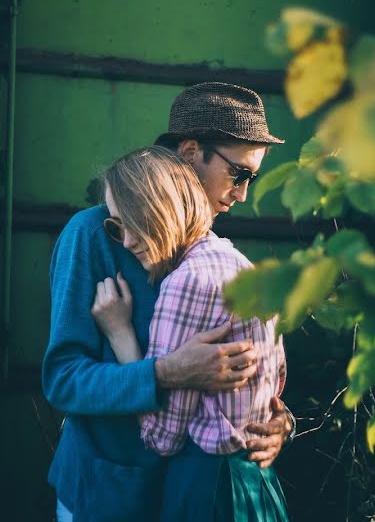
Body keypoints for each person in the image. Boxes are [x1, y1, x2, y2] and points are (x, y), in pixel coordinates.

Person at [42, 82, 294, 521]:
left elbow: (245, 367)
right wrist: (165, 373)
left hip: (186, 497)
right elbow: (62, 380)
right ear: (192, 152)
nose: (243, 194)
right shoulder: (93, 235)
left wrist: (276, 422)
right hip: (106, 495)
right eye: (240, 174)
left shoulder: (214, 255)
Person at [91, 147, 288, 521]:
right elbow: (277, 382)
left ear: (161, 206)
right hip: (257, 485)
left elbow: (161, 437)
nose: (127, 241)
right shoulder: (242, 266)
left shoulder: (186, 282)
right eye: (116, 227)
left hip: (208, 489)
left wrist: (120, 335)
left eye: (132, 220)